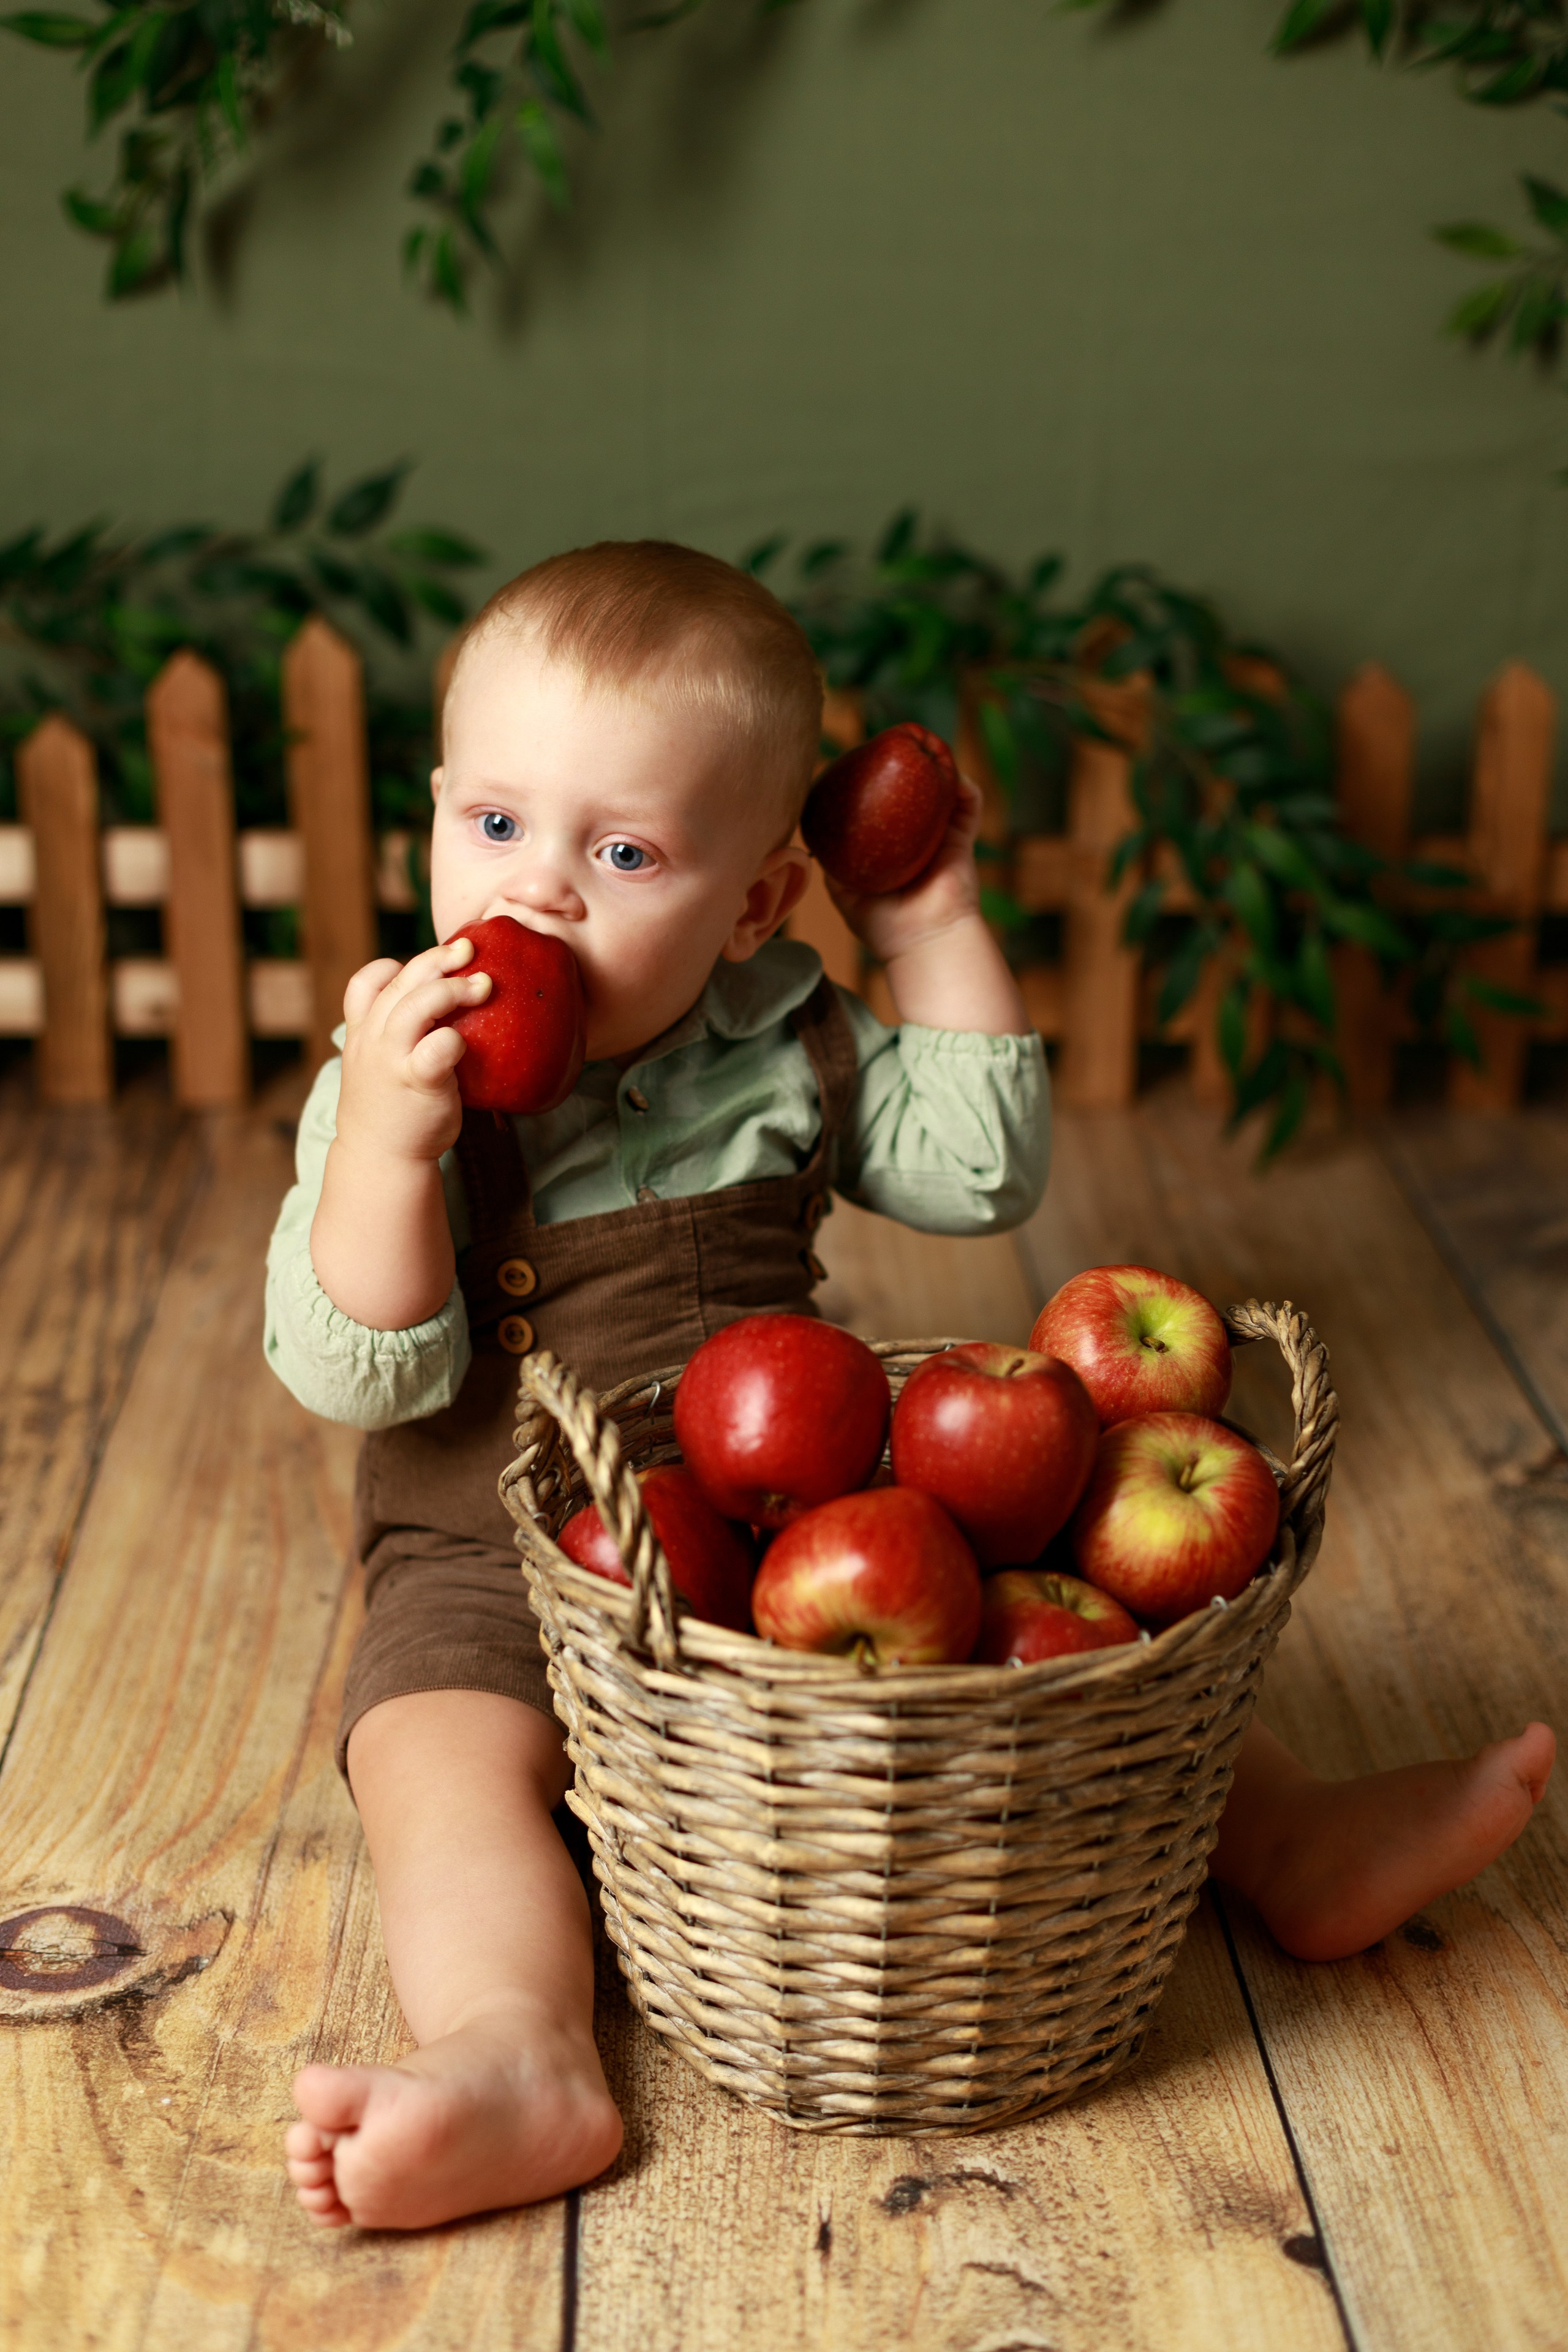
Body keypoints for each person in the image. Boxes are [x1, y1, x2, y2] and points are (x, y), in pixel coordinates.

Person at [264, 540, 1555, 2234]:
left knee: (1017, 1683)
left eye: (627, 849)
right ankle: (522, 2052)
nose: (544, 891)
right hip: (490, 1559)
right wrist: (385, 1150)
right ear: (436, 812)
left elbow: (977, 1170)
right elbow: (358, 1366)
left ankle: (1290, 1837)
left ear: (753, 903)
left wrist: (930, 921)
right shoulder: (404, 1067)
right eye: (495, 825)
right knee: (443, 1770)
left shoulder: (781, 1043)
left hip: (782, 1516)